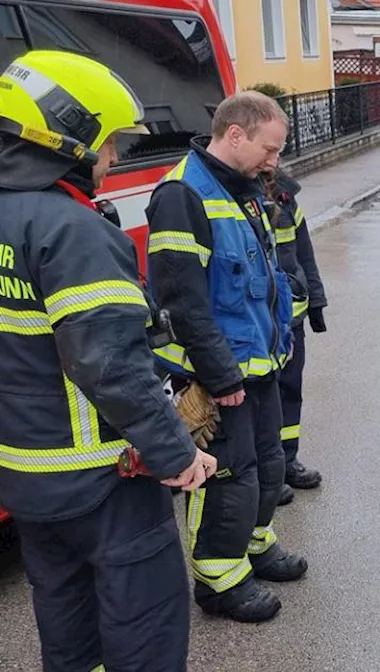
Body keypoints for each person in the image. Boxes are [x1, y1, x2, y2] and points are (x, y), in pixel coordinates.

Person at [0, 50, 217, 670]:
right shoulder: (71, 231)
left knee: (67, 630)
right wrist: (177, 455)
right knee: (143, 630)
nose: (113, 157)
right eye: (106, 142)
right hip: (106, 482)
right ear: (62, 137)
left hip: (25, 477)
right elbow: (109, 366)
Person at [147, 90, 307, 623]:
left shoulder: (241, 187)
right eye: (269, 148)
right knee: (228, 476)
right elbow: (182, 300)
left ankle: (255, 545)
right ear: (234, 134)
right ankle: (220, 581)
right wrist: (219, 377)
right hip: (221, 374)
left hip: (257, 365)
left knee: (268, 465)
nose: (274, 160)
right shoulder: (182, 194)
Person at [263, 166, 328, 506]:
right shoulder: (235, 197)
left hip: (292, 318)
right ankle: (267, 471)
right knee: (263, 396)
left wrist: (316, 299)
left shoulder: (287, 197)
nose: (274, 158)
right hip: (260, 323)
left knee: (290, 389)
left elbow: (305, 254)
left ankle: (288, 460)